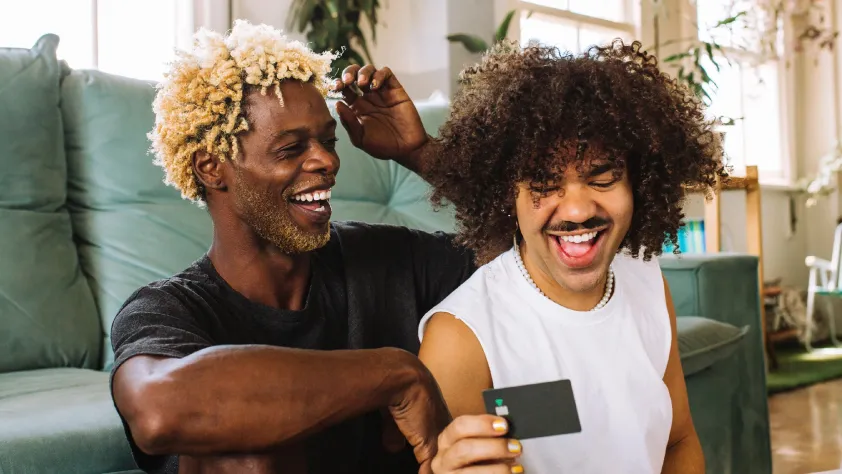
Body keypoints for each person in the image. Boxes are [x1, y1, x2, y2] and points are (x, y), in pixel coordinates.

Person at [109, 20, 493, 474]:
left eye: (328, 142)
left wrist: (420, 152)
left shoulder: (389, 259)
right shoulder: (167, 309)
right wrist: (395, 374)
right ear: (213, 169)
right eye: (291, 149)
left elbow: (538, 251)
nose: (328, 161)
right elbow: (159, 410)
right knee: (244, 453)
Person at [416, 41, 728, 473]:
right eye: (545, 184)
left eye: (602, 178)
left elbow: (678, 441)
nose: (578, 210)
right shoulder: (461, 340)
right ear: (509, 193)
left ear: (639, 184)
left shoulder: (644, 277)